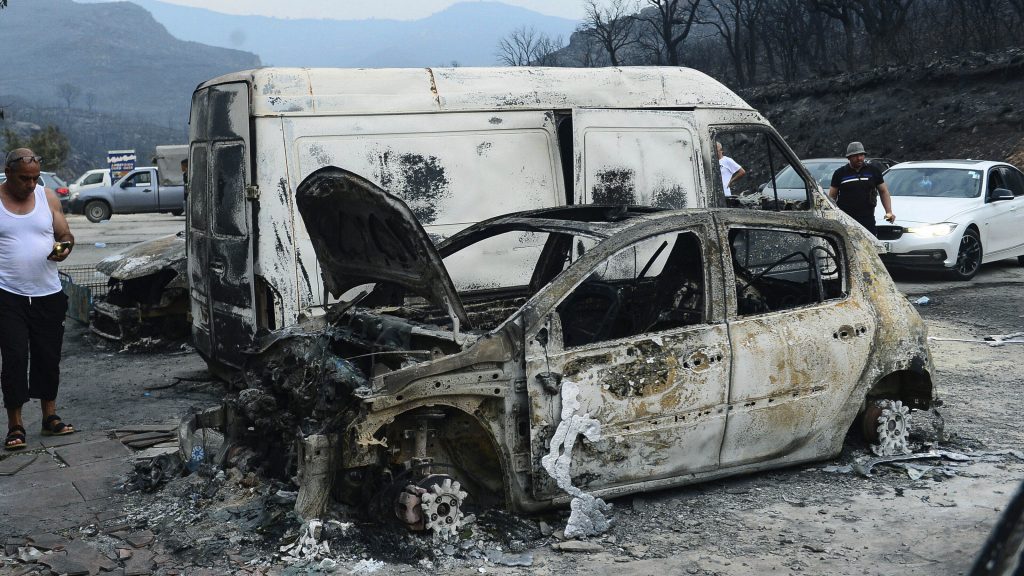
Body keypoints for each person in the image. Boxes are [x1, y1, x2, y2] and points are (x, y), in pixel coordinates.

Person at [0, 148, 76, 450]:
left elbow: (65, 233)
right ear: (8, 173)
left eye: (35, 178)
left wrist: (66, 246)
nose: (31, 185)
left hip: (48, 293)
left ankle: (49, 417)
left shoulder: (47, 197)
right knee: (15, 359)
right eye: (24, 179)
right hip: (8, 294)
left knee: (48, 357)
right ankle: (15, 425)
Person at [829, 142, 895, 236]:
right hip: (846, 220)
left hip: (867, 218)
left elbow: (883, 191)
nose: (859, 158)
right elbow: (832, 197)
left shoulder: (873, 171)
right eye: (855, 156)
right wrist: (833, 216)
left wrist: (889, 212)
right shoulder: (840, 173)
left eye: (861, 155)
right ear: (849, 157)